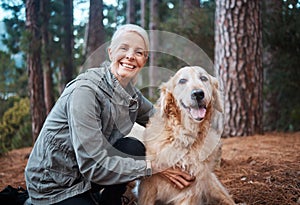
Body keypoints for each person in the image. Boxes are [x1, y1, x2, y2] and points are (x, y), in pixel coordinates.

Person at [25, 24, 195, 205]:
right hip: (54, 183)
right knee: (139, 159)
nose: (130, 56)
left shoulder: (131, 95)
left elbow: (164, 122)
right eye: (124, 48)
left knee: (133, 148)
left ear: (144, 60)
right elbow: (93, 166)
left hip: (84, 177)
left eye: (139, 52)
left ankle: (109, 201)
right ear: (111, 52)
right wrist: (154, 167)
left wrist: (193, 119)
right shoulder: (85, 92)